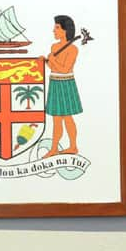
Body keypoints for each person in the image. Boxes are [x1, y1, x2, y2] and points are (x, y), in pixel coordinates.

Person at [43, 15, 83, 157]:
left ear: (66, 30)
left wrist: (52, 60)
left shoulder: (73, 49)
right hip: (55, 82)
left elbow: (65, 69)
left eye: (57, 27)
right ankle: (54, 148)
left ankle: (73, 146)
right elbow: (52, 67)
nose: (54, 30)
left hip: (66, 83)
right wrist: (45, 61)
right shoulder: (54, 46)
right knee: (56, 119)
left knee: (67, 117)